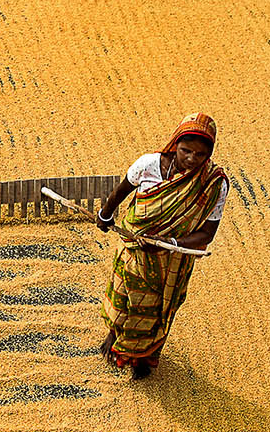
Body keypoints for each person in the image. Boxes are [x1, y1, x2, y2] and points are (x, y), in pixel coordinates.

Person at [95, 112, 230, 378]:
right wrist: (105, 215)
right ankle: (114, 339)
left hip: (171, 261)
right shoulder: (149, 165)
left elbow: (206, 234)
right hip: (134, 248)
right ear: (174, 144)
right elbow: (121, 191)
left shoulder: (213, 184)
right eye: (185, 151)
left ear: (209, 154)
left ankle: (142, 358)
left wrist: (168, 243)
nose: (191, 159)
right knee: (124, 298)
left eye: (200, 154)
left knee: (156, 309)